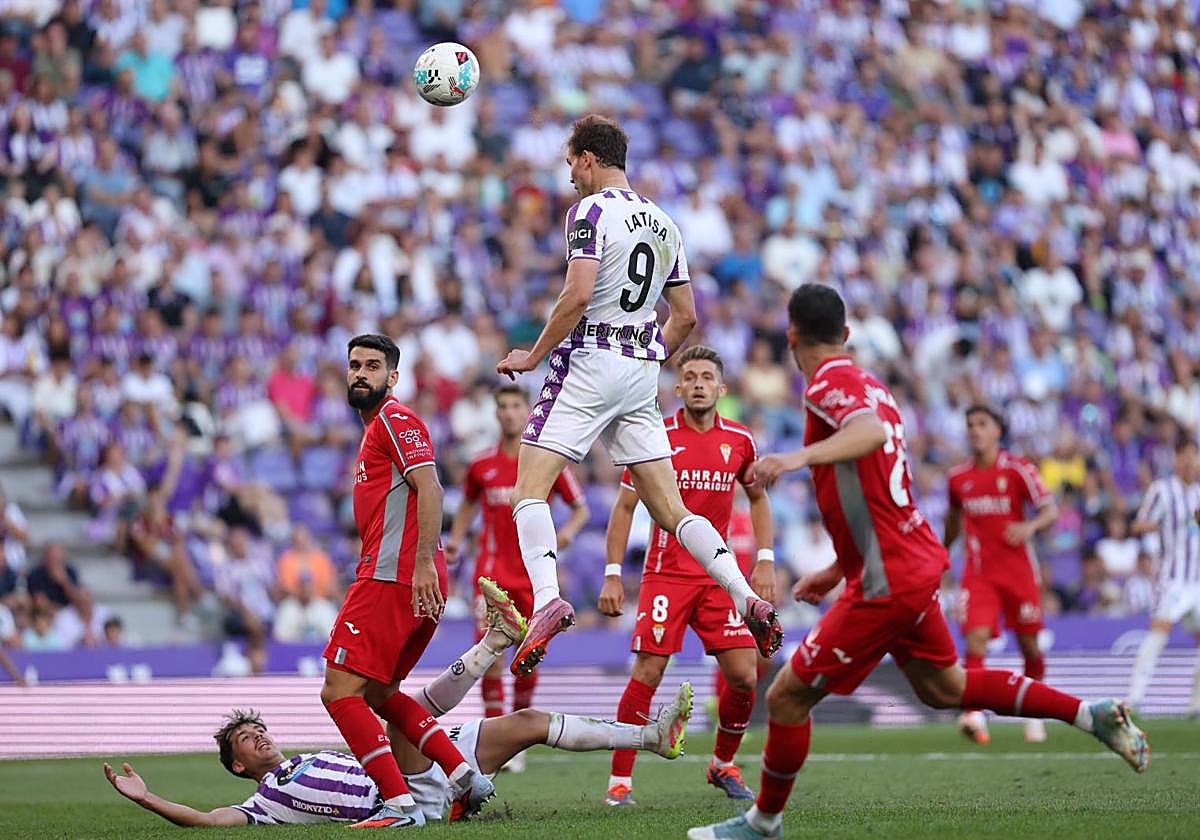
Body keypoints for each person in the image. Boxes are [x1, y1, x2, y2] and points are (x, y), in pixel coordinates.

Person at [688, 285, 1150, 840]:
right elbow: (877, 489)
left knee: (787, 696)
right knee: (945, 689)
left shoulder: (830, 384)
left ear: (790, 335)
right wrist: (838, 568)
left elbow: (869, 434)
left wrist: (795, 456)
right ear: (847, 334)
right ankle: (1089, 713)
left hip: (890, 578)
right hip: (905, 561)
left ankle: (763, 824)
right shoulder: (875, 386)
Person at [496, 114, 780, 675]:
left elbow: (577, 295)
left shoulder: (588, 212)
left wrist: (532, 355)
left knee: (527, 489)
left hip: (589, 359)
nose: (570, 177)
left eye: (570, 164)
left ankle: (548, 598)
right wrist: (648, 354)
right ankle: (745, 594)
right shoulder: (663, 222)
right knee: (672, 510)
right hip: (640, 370)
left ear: (586, 159)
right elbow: (687, 316)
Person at [102, 578, 692, 827]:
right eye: (245, 741)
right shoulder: (265, 805)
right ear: (237, 766)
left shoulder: (318, 756)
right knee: (389, 702)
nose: (258, 736)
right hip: (407, 784)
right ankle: (490, 647)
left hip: (413, 767)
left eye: (257, 728)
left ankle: (652, 738)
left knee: (529, 722)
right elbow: (207, 821)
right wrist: (148, 798)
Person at [317, 334, 493, 829]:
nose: (360, 374)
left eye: (373, 366)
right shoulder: (376, 427)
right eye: (354, 365)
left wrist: (418, 566)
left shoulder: (394, 419)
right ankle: (462, 775)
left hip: (393, 576)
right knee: (377, 692)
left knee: (339, 691)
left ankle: (397, 805)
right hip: (410, 576)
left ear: (392, 377)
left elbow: (431, 486)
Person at [598, 345, 775, 806]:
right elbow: (624, 506)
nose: (697, 383)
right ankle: (620, 783)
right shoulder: (654, 437)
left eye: (706, 377)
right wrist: (614, 573)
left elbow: (757, 500)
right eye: (690, 376)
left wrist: (766, 559)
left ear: (722, 387)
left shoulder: (740, 440)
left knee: (743, 675)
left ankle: (723, 765)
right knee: (649, 670)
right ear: (677, 387)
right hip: (666, 574)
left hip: (720, 576)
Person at [445, 383, 589, 761]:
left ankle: (516, 738)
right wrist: (457, 538)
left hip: (533, 579)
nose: (509, 412)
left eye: (515, 406)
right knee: (489, 656)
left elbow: (581, 508)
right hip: (492, 577)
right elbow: (466, 505)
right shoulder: (481, 465)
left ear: (527, 411)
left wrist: (568, 534)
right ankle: (495, 737)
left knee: (529, 654)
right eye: (503, 406)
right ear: (496, 413)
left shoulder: (547, 461)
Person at [944, 405, 1060, 744]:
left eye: (982, 424)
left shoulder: (1018, 469)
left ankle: (1035, 711)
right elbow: (952, 522)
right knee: (975, 639)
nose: (975, 430)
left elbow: (1050, 509)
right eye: (970, 425)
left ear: (998, 430)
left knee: (1029, 645)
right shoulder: (958, 478)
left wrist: (1030, 527)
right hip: (979, 574)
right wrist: (939, 552)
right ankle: (975, 714)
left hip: (1018, 573)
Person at [1127, 439, 1200, 714]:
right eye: (1186, 456)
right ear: (1176, 459)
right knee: (1159, 632)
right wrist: (1163, 521)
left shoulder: (1198, 493)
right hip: (1172, 577)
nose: (1190, 462)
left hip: (1198, 578)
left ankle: (1196, 702)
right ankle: (1135, 696)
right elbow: (1138, 524)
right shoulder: (1162, 490)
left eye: (1195, 456)